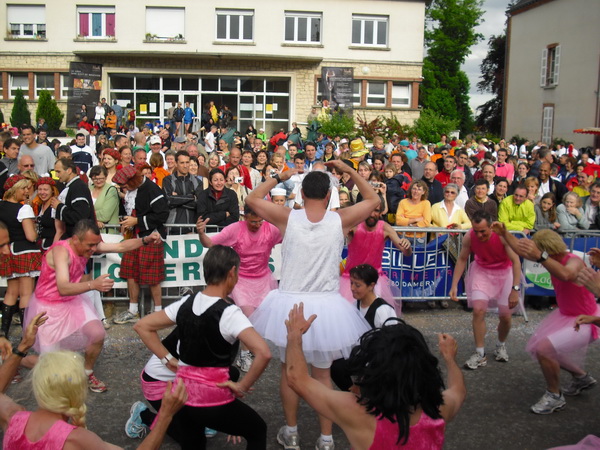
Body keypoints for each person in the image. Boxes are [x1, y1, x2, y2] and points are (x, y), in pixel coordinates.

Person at [247, 159, 378, 450]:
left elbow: (251, 198)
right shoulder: (340, 219)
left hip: (290, 304)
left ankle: (292, 432)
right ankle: (326, 438)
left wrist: (279, 176)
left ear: (302, 194)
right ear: (329, 195)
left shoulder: (287, 217)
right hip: (326, 307)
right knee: (322, 374)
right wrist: (350, 171)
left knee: (288, 369)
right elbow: (374, 199)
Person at [133, 245, 272, 449]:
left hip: (180, 394)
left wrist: (169, 361)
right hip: (210, 399)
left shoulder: (185, 303)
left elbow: (142, 325)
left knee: (194, 443)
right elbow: (264, 353)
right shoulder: (229, 313)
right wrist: (242, 387)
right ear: (232, 273)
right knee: (258, 430)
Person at [285, 304, 466, 449]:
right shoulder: (438, 409)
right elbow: (458, 390)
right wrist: (450, 359)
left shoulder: (358, 413)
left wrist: (295, 336)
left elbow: (296, 378)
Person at [24, 219, 163, 393]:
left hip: (71, 301)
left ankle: (86, 373)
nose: (93, 250)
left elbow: (120, 247)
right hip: (48, 307)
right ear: (76, 239)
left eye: (95, 245)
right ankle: (16, 360)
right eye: (90, 245)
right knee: (50, 363)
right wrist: (93, 285)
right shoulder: (61, 252)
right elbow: (63, 287)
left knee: (97, 334)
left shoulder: (89, 245)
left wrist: (145, 240)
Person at [493, 225, 600, 414]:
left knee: (544, 349)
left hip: (585, 320)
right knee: (544, 348)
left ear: (544, 249)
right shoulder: (549, 259)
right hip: (566, 315)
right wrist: (504, 234)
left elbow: (566, 274)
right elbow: (521, 249)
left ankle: (554, 396)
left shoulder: (573, 261)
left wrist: (541, 256)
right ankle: (581, 377)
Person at [0, 347, 188, 449]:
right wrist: (165, 416)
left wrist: (21, 349)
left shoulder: (14, 419)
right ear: (79, 389)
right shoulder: (77, 439)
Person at [196, 204, 282, 372]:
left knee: (261, 319)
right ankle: (244, 354)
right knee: (248, 317)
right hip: (241, 280)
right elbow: (209, 243)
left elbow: (293, 235)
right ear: (245, 217)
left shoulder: (271, 229)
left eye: (260, 221)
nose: (257, 225)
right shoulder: (235, 229)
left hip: (263, 278)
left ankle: (248, 349)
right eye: (253, 221)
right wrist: (201, 233)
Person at [449, 210, 521, 370]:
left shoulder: (501, 236)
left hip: (504, 273)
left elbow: (516, 261)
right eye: (476, 231)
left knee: (506, 315)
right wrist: (454, 285)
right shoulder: (469, 236)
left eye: (483, 231)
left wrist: (515, 289)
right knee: (478, 310)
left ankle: (500, 345)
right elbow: (462, 259)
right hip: (482, 272)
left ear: (491, 227)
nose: (480, 235)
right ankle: (480, 353)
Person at [112, 166, 169, 325]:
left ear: (134, 180)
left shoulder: (153, 190)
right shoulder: (131, 190)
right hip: (133, 237)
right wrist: (128, 222)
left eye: (125, 184)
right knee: (130, 273)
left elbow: (162, 214)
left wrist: (137, 221)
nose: (123, 188)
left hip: (151, 237)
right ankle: (133, 310)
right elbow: (133, 211)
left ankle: (158, 312)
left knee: (152, 276)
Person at [332, 264, 398, 391]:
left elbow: (393, 344)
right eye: (351, 283)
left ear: (371, 286)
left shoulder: (383, 310)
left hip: (380, 360)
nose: (352, 288)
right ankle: (355, 392)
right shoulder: (354, 304)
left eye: (357, 285)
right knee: (335, 365)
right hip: (362, 355)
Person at [339, 199, 411, 313]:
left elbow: (405, 251)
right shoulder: (355, 226)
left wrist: (407, 246)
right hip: (351, 279)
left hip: (375, 280)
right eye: (370, 210)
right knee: (348, 316)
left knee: (374, 315)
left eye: (376, 211)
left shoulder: (385, 227)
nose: (372, 214)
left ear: (381, 212)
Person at [0, 175, 41, 337]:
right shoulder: (24, 208)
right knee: (26, 294)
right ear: (14, 189)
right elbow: (31, 236)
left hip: (8, 251)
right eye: (23, 188)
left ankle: (4, 332)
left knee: (11, 292)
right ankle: (27, 333)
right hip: (24, 251)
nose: (27, 191)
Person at [51, 158, 95, 241]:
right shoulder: (72, 186)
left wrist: (59, 206)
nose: (56, 175)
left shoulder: (78, 187)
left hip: (82, 240)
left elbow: (80, 216)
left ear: (69, 170)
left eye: (58, 172)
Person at [163, 150, 203, 235]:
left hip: (192, 228)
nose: (185, 166)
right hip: (172, 228)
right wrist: (191, 197)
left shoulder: (197, 182)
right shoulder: (168, 180)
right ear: (176, 164)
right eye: (182, 163)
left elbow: (200, 204)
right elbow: (168, 201)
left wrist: (177, 199)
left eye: (187, 162)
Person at [395, 179, 431, 244]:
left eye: (419, 189)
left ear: (423, 192)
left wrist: (407, 224)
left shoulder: (426, 203)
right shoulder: (403, 202)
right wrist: (416, 219)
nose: (416, 191)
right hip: (403, 236)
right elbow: (398, 221)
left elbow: (426, 222)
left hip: (419, 238)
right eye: (414, 189)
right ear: (410, 190)